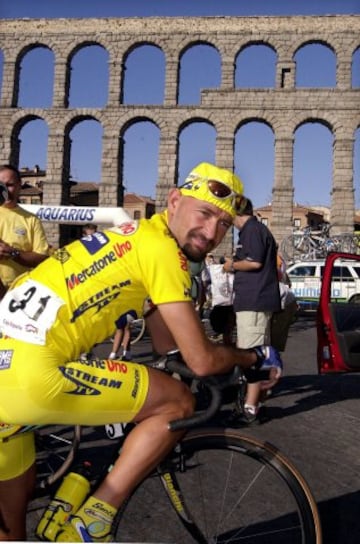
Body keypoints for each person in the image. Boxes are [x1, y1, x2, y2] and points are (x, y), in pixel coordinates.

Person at [0, 162, 282, 542]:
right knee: (178, 403)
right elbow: (200, 360)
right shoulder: (164, 251)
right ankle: (91, 525)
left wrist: (172, 361)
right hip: (34, 373)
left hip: (7, 368)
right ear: (175, 200)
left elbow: (167, 344)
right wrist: (253, 358)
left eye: (225, 225)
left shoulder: (135, 235)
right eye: (205, 213)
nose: (213, 233)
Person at [0, 164, 50, 541]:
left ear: (21, 186)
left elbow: (43, 260)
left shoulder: (29, 219)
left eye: (11, 184)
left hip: (16, 304)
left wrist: (13, 252)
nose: (6, 189)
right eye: (0, 184)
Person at [223, 198, 281, 424]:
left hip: (254, 301)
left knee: (251, 355)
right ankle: (255, 402)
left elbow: (254, 262)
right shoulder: (254, 230)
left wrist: (231, 265)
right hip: (254, 300)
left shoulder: (252, 230)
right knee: (258, 354)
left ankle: (250, 408)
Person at [206, 257, 235, 345]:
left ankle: (226, 343)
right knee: (227, 328)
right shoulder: (231, 271)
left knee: (226, 329)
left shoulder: (213, 269)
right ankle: (227, 344)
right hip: (228, 304)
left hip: (219, 304)